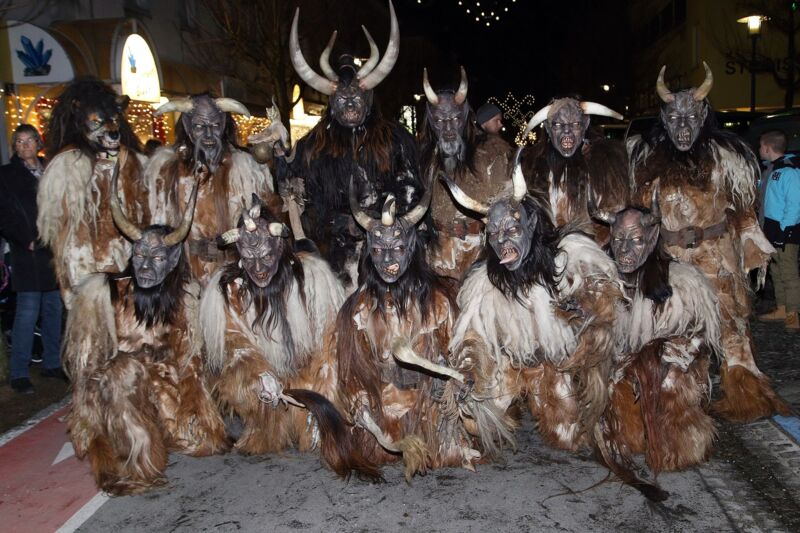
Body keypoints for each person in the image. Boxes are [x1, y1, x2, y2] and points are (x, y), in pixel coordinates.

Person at [628, 62, 788, 421]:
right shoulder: (646, 161)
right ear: (664, 120)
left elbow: (743, 207)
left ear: (703, 117)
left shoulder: (725, 157)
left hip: (717, 257)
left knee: (731, 326)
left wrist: (750, 241)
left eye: (691, 118)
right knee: (677, 329)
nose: (683, 127)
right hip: (672, 258)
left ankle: (746, 394)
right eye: (675, 119)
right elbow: (637, 212)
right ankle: (683, 400)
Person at [37, 78, 149, 308]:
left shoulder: (131, 161)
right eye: (96, 122)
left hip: (124, 256)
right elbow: (60, 223)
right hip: (84, 257)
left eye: (113, 121)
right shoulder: (69, 163)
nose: (111, 130)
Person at [419, 68, 512, 280]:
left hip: (481, 255)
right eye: (440, 121)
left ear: (464, 117)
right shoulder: (425, 161)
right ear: (431, 122)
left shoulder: (492, 153)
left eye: (454, 119)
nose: (448, 129)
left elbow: (506, 207)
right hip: (439, 257)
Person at [0, 125, 64, 394]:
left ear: (38, 142)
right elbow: (4, 214)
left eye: (29, 140)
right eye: (19, 141)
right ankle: (19, 373)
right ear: (14, 146)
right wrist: (23, 238)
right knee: (27, 313)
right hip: (27, 251)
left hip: (54, 250)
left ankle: (52, 363)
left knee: (54, 309)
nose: (24, 145)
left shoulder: (51, 169)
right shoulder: (6, 175)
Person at [757, 130, 800, 330]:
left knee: (788, 272)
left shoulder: (789, 172)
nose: (759, 150)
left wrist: (785, 231)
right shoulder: (769, 170)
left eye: (760, 146)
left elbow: (795, 204)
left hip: (786, 230)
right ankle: (782, 308)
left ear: (767, 148)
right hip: (771, 228)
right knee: (776, 270)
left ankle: (793, 314)